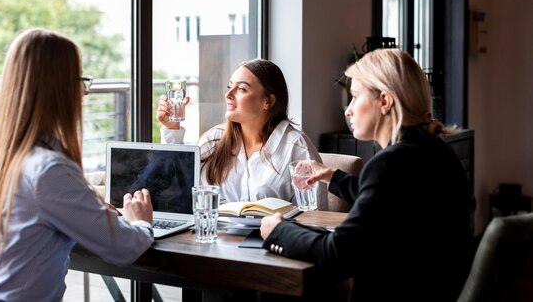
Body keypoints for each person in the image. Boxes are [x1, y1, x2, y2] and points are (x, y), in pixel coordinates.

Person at [260, 49, 472, 301]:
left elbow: (337, 252)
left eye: (355, 97)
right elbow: (389, 198)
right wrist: (332, 176)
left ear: (384, 101)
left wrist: (278, 231)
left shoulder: (391, 162)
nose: (348, 110)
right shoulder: (436, 151)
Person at [0, 28, 154, 302]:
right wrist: (141, 222)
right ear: (58, 88)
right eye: (78, 80)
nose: (84, 93)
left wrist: (90, 209)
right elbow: (123, 248)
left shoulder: (9, 160)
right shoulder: (49, 170)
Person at [156, 58, 326, 209]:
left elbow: (316, 215)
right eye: (230, 87)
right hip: (217, 241)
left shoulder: (296, 147)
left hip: (274, 241)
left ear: (268, 101)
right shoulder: (213, 141)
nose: (228, 95)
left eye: (241, 89)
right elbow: (173, 189)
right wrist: (172, 129)